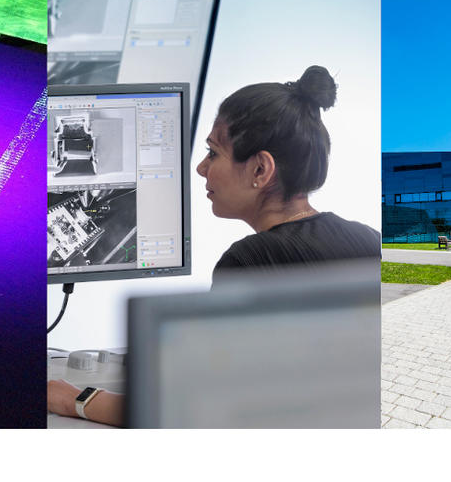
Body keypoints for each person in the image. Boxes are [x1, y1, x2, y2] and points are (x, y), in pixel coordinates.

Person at [46, 66, 379, 427]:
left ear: (260, 170)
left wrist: (78, 398)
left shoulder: (250, 263)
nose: (202, 168)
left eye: (213, 153)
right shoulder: (369, 240)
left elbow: (189, 414)